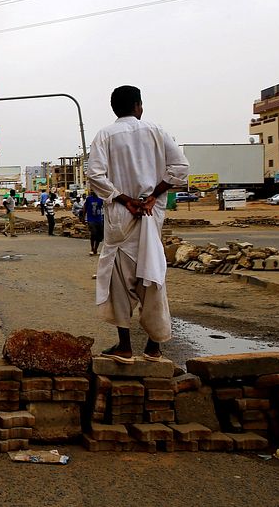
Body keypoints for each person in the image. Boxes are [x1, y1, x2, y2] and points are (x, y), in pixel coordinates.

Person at [86, 85, 189, 364]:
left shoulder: (104, 135)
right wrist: (153, 196)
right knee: (153, 275)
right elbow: (180, 169)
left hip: (121, 218)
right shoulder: (158, 131)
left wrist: (124, 199)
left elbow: (94, 174)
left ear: (114, 108)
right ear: (138, 106)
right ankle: (154, 348)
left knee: (119, 281)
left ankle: (125, 346)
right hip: (150, 216)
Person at [85, 190, 104, 256]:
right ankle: (92, 248)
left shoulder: (101, 199)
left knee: (100, 234)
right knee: (93, 232)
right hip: (91, 218)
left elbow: (103, 207)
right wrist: (83, 217)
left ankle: (96, 249)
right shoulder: (89, 199)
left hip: (98, 219)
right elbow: (85, 207)